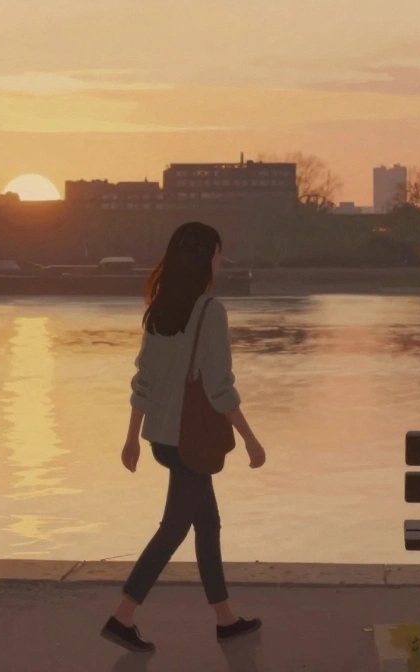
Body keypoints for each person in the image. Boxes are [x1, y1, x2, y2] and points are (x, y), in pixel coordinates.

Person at [101, 222, 267, 654]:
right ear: (205, 259)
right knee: (174, 528)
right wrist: (250, 438)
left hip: (162, 440)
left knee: (206, 523)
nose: (219, 261)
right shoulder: (211, 312)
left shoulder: (159, 309)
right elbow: (218, 387)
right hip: (193, 441)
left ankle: (226, 620)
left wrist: (132, 438)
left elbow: (143, 380)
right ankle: (122, 615)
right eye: (217, 253)